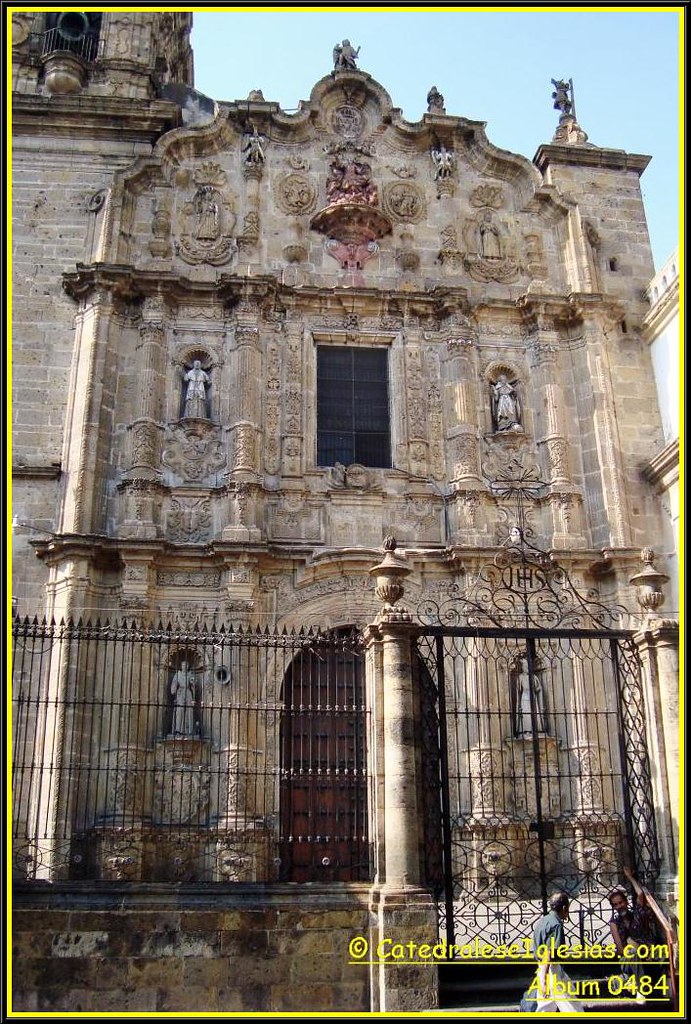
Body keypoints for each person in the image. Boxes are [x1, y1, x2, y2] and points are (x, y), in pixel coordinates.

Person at [521, 891, 585, 1012]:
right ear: (565, 908)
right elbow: (548, 953)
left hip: (543, 968)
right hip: (551, 969)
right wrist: (545, 980)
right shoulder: (556, 925)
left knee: (546, 1005)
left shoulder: (543, 921)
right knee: (568, 1003)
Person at [607, 878, 661, 1005]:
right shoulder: (614, 923)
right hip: (627, 959)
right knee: (632, 952)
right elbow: (621, 951)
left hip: (645, 954)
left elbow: (641, 894)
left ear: (626, 902)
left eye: (621, 902)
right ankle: (641, 989)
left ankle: (630, 981)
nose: (619, 906)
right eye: (615, 905)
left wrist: (629, 877)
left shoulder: (636, 916)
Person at [170, 661, 196, 736]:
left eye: (186, 665)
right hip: (180, 693)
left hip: (188, 693)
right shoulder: (178, 674)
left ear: (188, 667)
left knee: (189, 710)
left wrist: (193, 682)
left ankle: (189, 730)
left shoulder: (190, 674)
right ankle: (178, 729)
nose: (184, 667)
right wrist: (174, 688)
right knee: (179, 710)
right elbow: (174, 683)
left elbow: (193, 685)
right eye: (183, 665)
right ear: (181, 666)